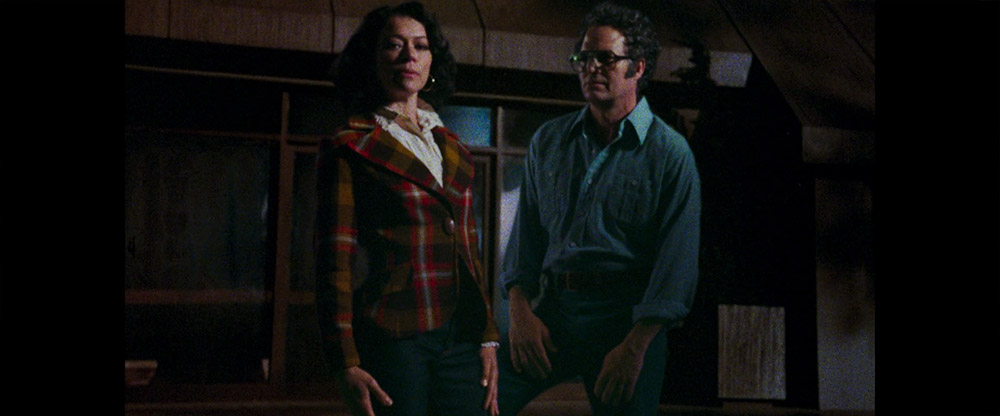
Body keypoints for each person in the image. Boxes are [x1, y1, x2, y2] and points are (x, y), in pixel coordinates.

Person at [496, 2, 701, 415]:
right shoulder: (549, 141)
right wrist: (519, 315)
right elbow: (524, 243)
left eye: (605, 58)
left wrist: (635, 347)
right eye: (584, 58)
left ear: (637, 67)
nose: (591, 67)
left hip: (627, 322)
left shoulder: (669, 153)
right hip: (555, 312)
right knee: (477, 396)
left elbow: (676, 266)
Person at [314, 3, 500, 415]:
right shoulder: (350, 143)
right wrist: (344, 360)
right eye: (394, 45)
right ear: (372, 59)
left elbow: (470, 250)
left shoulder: (452, 146)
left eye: (420, 46)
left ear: (432, 61)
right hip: (394, 334)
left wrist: (487, 335)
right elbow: (334, 260)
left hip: (462, 338)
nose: (409, 56)